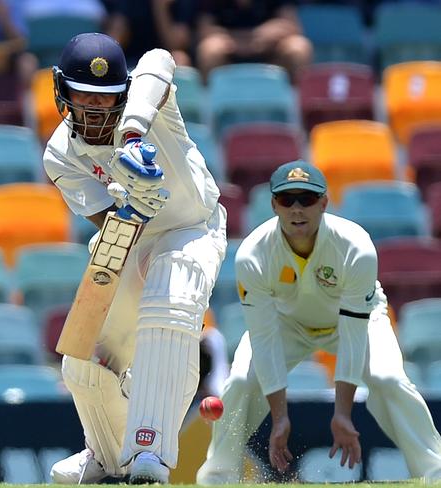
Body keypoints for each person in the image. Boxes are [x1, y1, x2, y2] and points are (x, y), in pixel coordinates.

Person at [43, 33, 227, 484]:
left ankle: (150, 453)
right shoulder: (60, 155)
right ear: (61, 90)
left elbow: (160, 59)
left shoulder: (150, 108)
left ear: (122, 95)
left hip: (192, 230)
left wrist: (132, 135)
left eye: (106, 99)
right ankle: (106, 459)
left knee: (172, 295)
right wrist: (133, 208)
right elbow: (112, 228)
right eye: (83, 95)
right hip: (130, 239)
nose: (93, 109)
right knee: (84, 356)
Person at [197, 160, 441, 484]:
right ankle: (218, 475)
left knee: (388, 379)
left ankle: (433, 470)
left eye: (307, 199)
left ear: (324, 202)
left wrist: (342, 415)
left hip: (356, 320)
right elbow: (264, 336)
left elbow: (353, 334)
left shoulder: (355, 246)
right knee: (240, 382)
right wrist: (279, 417)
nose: (297, 209)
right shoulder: (253, 254)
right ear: (273, 205)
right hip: (287, 323)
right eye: (287, 200)